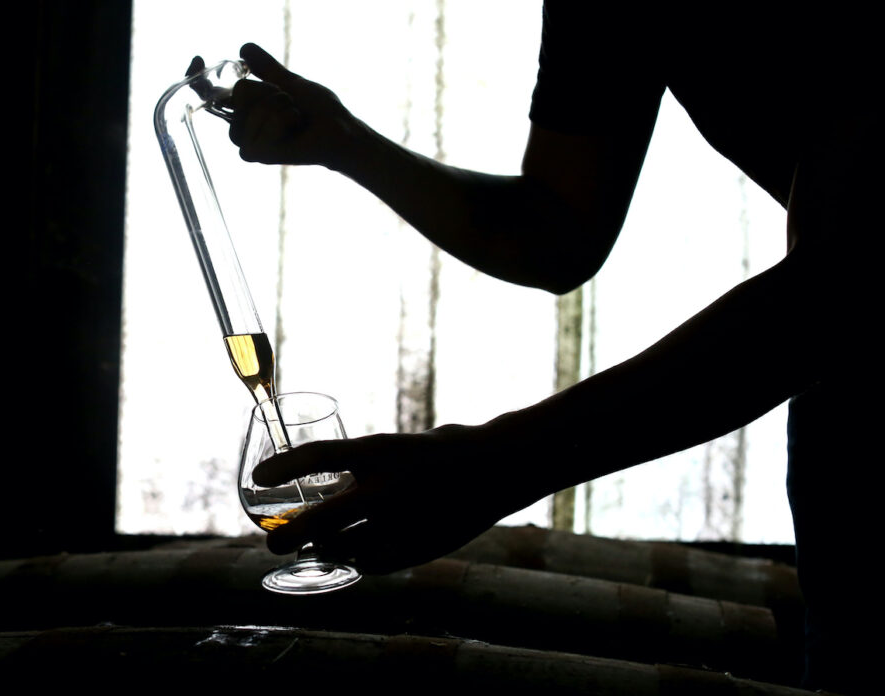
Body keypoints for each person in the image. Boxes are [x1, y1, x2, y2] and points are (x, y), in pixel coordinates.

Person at [225, 3, 878, 692]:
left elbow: (845, 283)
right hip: (846, 392)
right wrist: (342, 140)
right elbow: (555, 231)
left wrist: (488, 465)